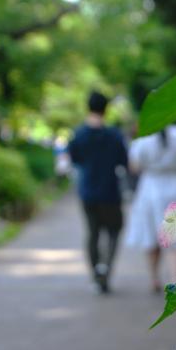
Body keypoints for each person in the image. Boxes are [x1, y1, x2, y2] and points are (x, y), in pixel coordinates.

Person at [125, 125, 176, 293]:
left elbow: (134, 166)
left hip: (151, 187)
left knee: (151, 235)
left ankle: (154, 278)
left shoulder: (144, 137)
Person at [68, 91, 128, 294]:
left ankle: (95, 273)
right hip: (110, 190)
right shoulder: (114, 135)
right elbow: (123, 162)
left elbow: (74, 159)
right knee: (114, 231)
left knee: (93, 233)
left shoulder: (79, 134)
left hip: (87, 190)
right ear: (106, 109)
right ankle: (106, 270)